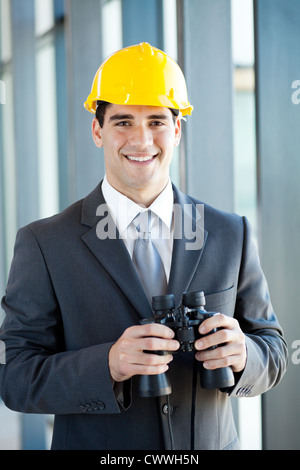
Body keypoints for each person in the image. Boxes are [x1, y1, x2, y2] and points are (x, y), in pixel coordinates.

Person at [0, 43, 287, 450]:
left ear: (177, 130)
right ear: (97, 131)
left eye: (156, 121)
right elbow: (15, 378)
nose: (141, 140)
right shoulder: (44, 243)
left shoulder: (230, 233)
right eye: (122, 122)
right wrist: (107, 365)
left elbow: (273, 350)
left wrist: (243, 355)